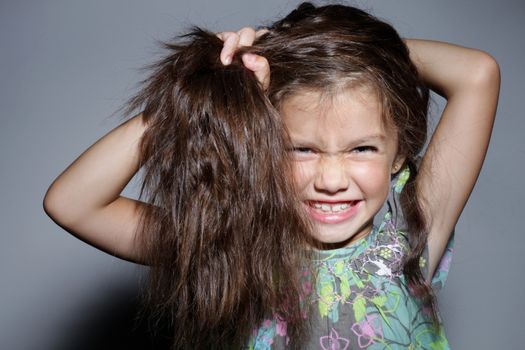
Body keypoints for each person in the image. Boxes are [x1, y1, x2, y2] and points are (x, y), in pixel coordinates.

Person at [43, 2, 499, 349]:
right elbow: (74, 204)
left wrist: (343, 55)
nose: (332, 179)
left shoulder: (410, 230)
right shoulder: (230, 240)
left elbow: (477, 73)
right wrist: (204, 89)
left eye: (362, 148)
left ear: (398, 154)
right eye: (301, 149)